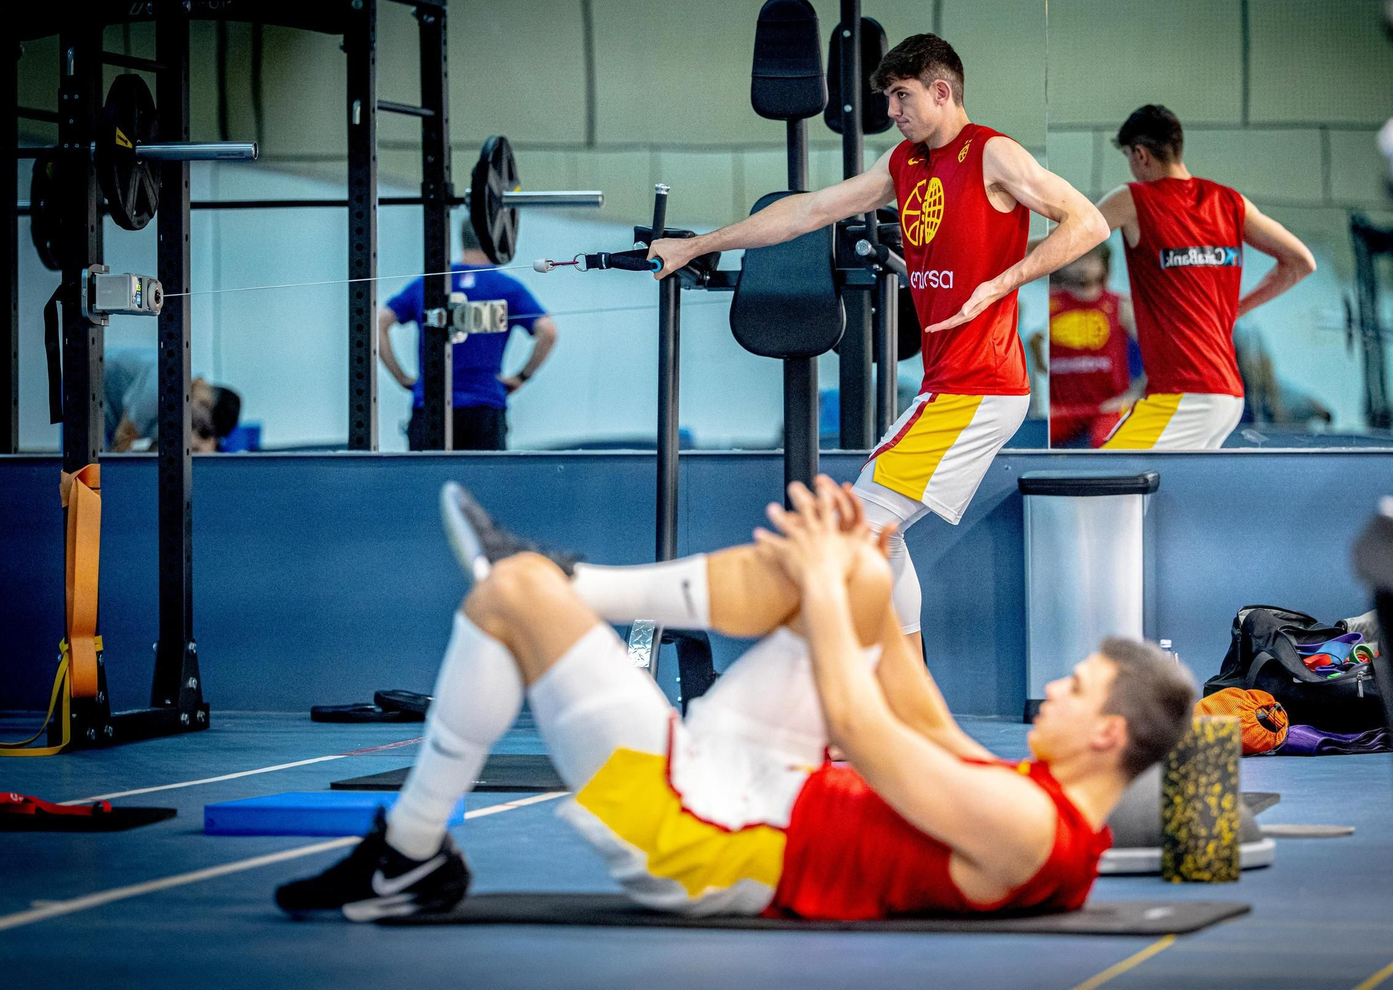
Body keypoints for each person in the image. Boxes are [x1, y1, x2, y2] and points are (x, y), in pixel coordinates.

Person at [275, 476, 1195, 922]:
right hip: (765, 780)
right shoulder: (1036, 800)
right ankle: (570, 576)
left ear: (1108, 731)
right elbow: (918, 708)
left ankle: (409, 853)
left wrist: (830, 586)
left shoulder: (1033, 829)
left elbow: (869, 729)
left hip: (710, 837)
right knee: (855, 583)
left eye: (1072, 688)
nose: (1053, 691)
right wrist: (856, 568)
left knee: (506, 600)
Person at [649, 34, 1108, 657]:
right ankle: (909, 696)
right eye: (890, 98)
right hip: (949, 387)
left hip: (983, 385)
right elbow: (805, 213)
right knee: (875, 534)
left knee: (857, 528)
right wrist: (698, 245)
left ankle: (889, 699)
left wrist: (1005, 280)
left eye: (901, 96)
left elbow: (1089, 221)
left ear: (941, 92)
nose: (892, 111)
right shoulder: (903, 164)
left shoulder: (993, 153)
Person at [1095, 104, 1317, 449]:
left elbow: (1067, 243)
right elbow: (1300, 261)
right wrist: (1237, 309)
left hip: (1186, 394)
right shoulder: (1230, 202)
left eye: (1127, 156)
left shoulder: (1135, 198)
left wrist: (1007, 258)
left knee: (1100, 482)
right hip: (1225, 393)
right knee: (1157, 495)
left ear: (1140, 154)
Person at [379, 219, 558, 451]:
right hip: (484, 409)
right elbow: (548, 332)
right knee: (483, 487)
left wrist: (401, 377)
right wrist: (521, 377)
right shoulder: (506, 287)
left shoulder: (428, 283)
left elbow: (379, 323)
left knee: (429, 485)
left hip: (429, 408)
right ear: (496, 240)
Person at [1025, 242, 1143, 448]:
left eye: (1090, 258)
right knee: (1030, 442)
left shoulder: (1121, 306)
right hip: (1060, 411)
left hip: (1109, 406)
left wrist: (1133, 395)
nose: (1083, 266)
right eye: (1077, 258)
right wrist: (1039, 403)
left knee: (1108, 443)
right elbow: (1032, 352)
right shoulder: (1048, 302)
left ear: (1103, 263)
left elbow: (1159, 357)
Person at [102, 346, 241, 453]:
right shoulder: (165, 378)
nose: (197, 427)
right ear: (206, 404)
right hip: (87, 391)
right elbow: (123, 439)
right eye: (203, 425)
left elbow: (158, 451)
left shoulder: (182, 403)